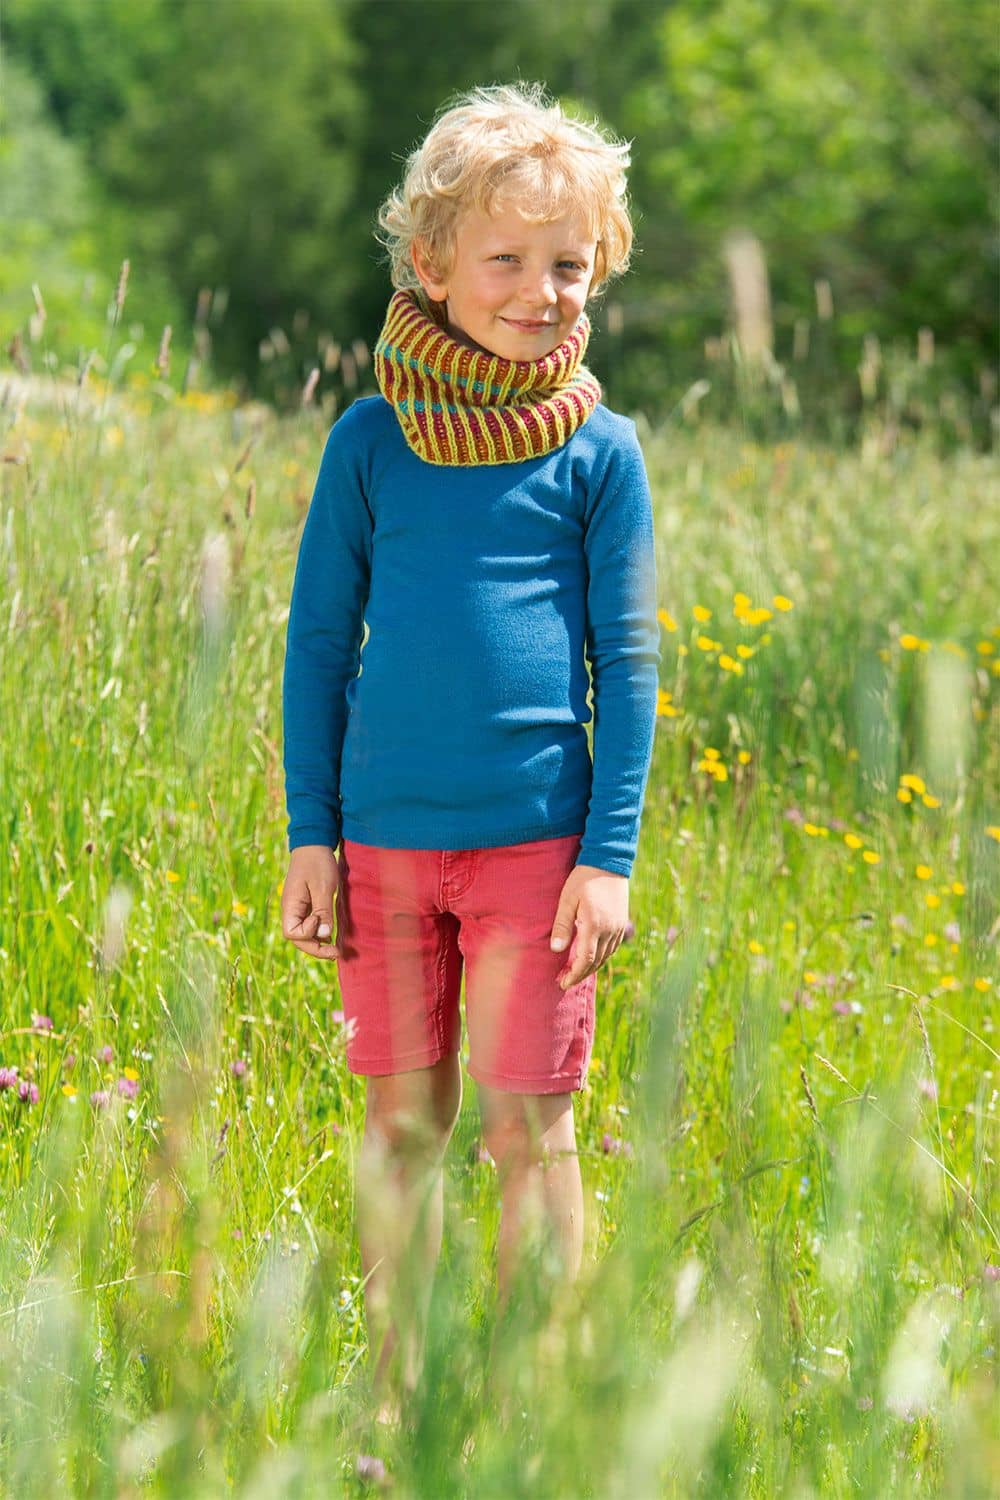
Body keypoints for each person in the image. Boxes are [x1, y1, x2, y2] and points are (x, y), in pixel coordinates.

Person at [280, 80, 660, 1425]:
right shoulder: (370, 444)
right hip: (381, 852)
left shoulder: (599, 455)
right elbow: (319, 645)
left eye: (569, 265)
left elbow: (633, 669)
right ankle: (397, 1388)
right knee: (401, 1128)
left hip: (535, 853)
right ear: (432, 267)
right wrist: (309, 835)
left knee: (527, 1131)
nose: (541, 291)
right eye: (506, 260)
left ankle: (536, 1393)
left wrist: (605, 860)